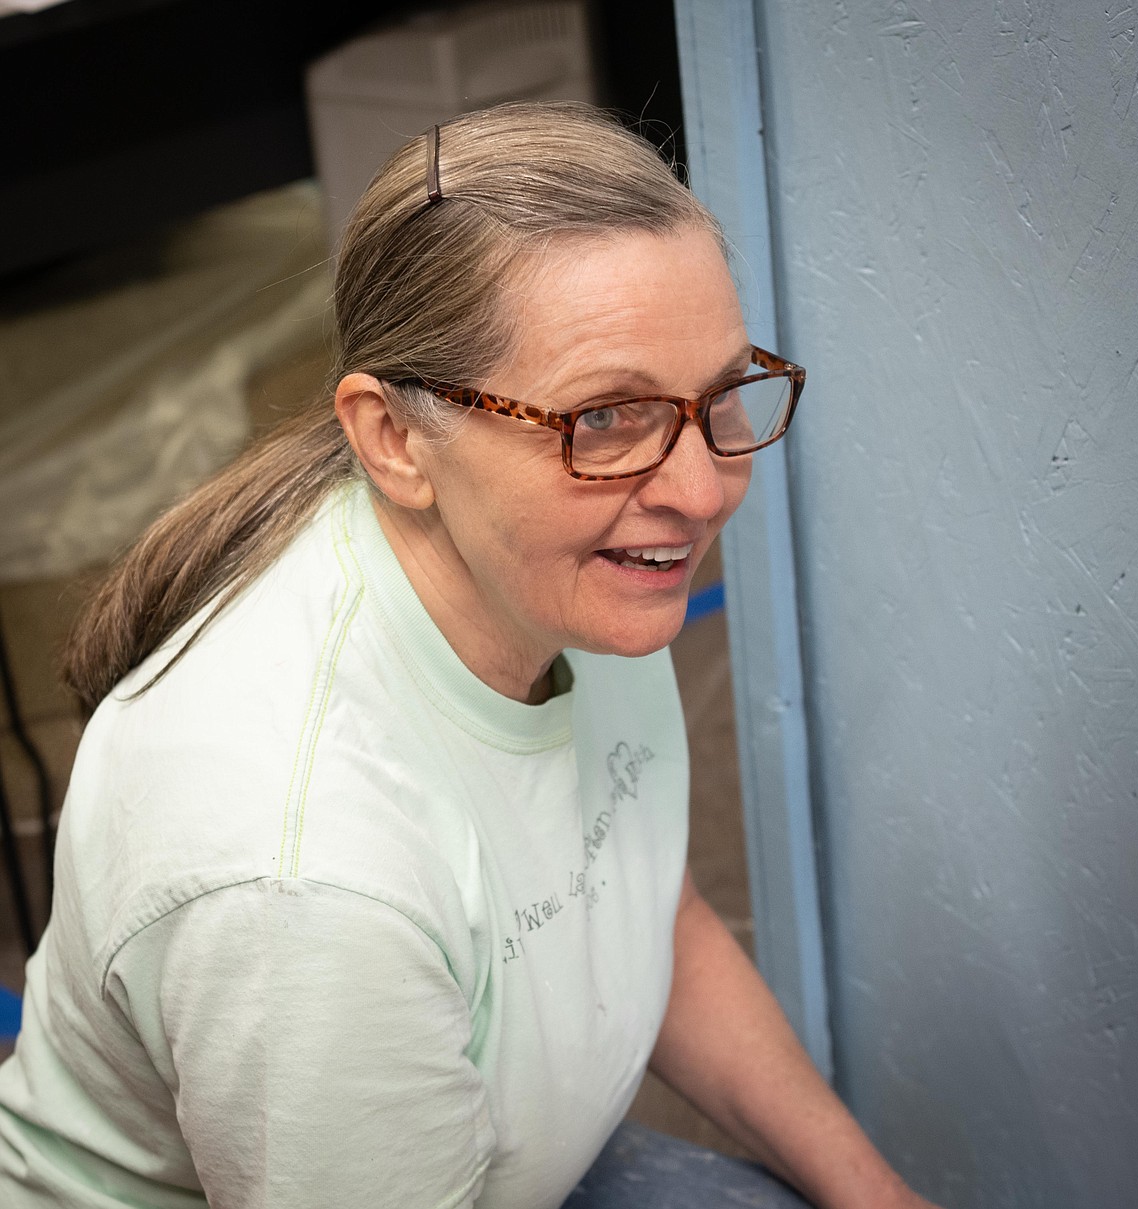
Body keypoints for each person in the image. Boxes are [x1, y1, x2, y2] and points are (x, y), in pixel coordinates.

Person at [0, 102, 941, 1209]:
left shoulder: (567, 564)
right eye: (606, 417)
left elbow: (645, 910)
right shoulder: (306, 885)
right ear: (396, 440)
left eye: (721, 393)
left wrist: (877, 1198)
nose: (699, 491)